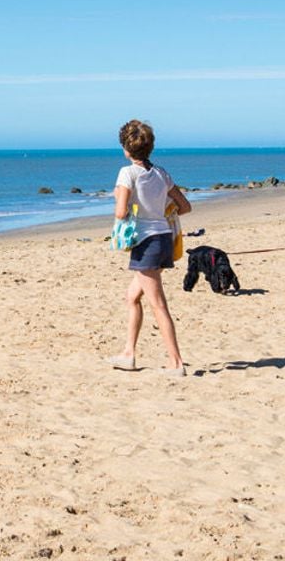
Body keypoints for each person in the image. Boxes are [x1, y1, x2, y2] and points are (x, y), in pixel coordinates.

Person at [106, 119, 192, 376]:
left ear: (126, 148)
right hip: (163, 238)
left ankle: (176, 363)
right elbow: (185, 206)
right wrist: (161, 209)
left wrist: (120, 197)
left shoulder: (127, 173)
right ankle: (128, 354)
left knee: (158, 304)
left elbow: (121, 213)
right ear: (150, 147)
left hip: (146, 242)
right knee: (132, 296)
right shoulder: (161, 173)